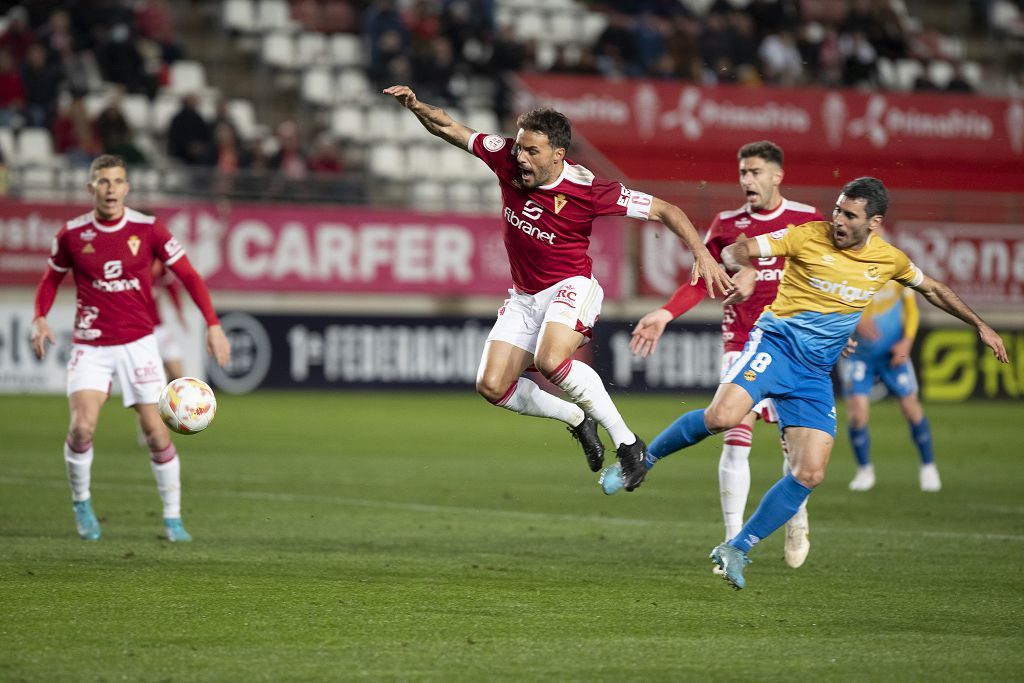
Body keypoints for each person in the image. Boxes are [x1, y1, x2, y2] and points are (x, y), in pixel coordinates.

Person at [625, 177, 1007, 590]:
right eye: (838, 209)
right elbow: (738, 248)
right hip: (775, 347)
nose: (837, 220)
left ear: (874, 222)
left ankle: (737, 547)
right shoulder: (808, 235)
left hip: (813, 375)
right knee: (722, 418)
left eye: (849, 215)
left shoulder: (889, 260)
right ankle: (644, 459)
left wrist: (981, 326)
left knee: (810, 472)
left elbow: (932, 288)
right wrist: (747, 268)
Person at [383, 84, 731, 475]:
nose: (520, 157)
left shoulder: (588, 190)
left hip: (572, 286)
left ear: (558, 155)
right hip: (524, 297)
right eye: (519, 147)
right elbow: (448, 127)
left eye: (532, 151)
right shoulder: (505, 158)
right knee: (493, 386)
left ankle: (628, 442)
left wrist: (701, 252)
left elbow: (665, 209)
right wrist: (415, 105)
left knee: (551, 360)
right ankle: (578, 419)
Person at [605, 141, 822, 570]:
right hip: (742, 341)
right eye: (743, 172)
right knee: (735, 435)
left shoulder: (806, 220)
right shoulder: (726, 224)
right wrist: (666, 313)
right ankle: (730, 542)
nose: (747, 181)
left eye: (756, 172)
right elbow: (701, 278)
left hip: (795, 346)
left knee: (794, 450)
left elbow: (826, 278)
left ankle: (797, 517)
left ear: (777, 175)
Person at [30, 154, 231, 543]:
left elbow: (188, 275)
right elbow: (49, 279)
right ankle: (81, 502)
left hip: (139, 343)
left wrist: (213, 324)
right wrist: (40, 315)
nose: (110, 189)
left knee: (156, 432)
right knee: (82, 427)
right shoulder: (71, 234)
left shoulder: (150, 229)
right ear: (91, 188)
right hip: (91, 343)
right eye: (102, 182)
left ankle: (172, 518)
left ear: (127, 187)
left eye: (117, 181)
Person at [840, 229, 940, 492]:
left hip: (892, 355)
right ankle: (864, 471)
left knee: (911, 408)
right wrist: (856, 320)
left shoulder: (896, 267)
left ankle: (928, 466)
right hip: (859, 355)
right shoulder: (847, 269)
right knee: (858, 415)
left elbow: (912, 310)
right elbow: (832, 305)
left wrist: (906, 343)